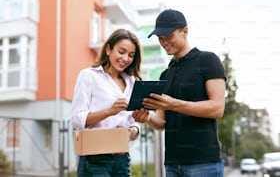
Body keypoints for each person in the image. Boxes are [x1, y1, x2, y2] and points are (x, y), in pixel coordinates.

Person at [132, 9, 227, 177]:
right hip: (172, 164)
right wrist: (146, 117)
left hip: (203, 163)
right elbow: (161, 123)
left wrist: (173, 104)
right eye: (160, 38)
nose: (164, 42)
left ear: (185, 31)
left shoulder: (207, 60)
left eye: (168, 36)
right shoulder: (165, 75)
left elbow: (217, 108)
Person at [71, 29, 142, 177]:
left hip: (122, 158)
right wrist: (110, 111)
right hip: (94, 159)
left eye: (131, 55)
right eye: (121, 52)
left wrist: (131, 132)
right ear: (109, 49)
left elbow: (133, 122)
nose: (125, 58)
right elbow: (77, 120)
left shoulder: (132, 82)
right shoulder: (89, 76)